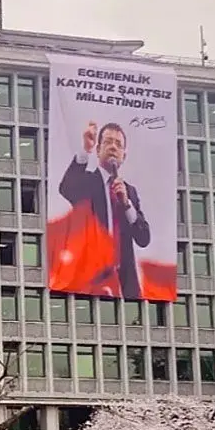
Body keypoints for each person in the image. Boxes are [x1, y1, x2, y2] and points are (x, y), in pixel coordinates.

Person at [57, 121, 151, 298]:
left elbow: (144, 238)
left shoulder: (129, 191)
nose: (113, 147)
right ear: (99, 149)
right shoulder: (87, 181)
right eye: (108, 142)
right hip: (91, 277)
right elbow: (66, 188)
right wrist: (85, 150)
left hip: (124, 282)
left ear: (124, 154)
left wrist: (127, 204)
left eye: (118, 144)